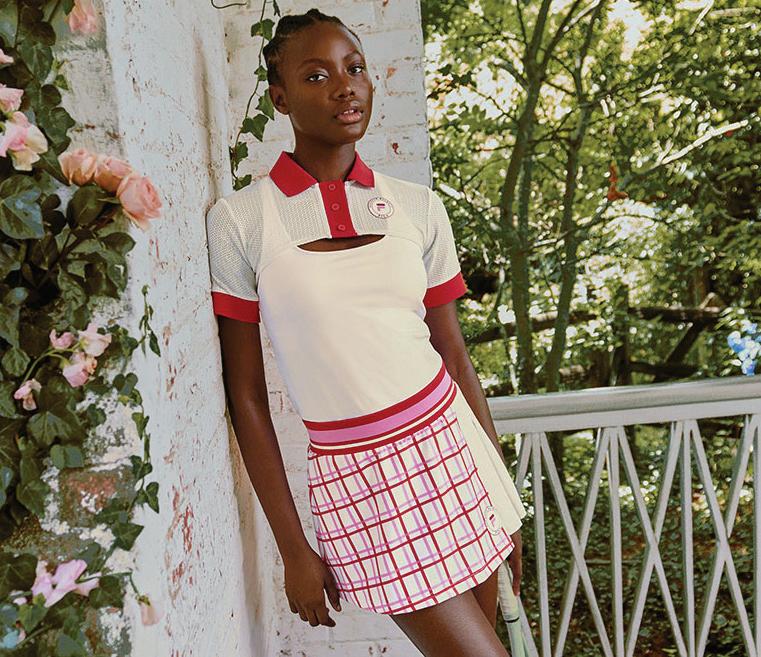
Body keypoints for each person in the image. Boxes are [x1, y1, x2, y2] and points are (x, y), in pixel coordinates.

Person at [205, 8, 527, 657]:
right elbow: (246, 397)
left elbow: (455, 359)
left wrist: (503, 498)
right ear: (279, 97)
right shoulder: (242, 221)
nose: (344, 86)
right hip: (361, 483)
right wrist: (293, 547)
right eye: (316, 75)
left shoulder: (417, 208)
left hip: (455, 454)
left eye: (354, 69)